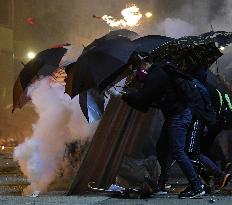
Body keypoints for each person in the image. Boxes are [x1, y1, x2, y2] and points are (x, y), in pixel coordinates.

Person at [109, 52, 206, 198]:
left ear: (143, 65)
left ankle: (197, 187)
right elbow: (147, 102)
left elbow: (143, 98)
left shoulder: (156, 74)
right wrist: (127, 94)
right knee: (162, 147)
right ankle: (161, 184)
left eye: (136, 69)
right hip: (175, 115)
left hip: (178, 115)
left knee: (178, 151)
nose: (136, 73)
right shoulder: (157, 73)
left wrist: (122, 95)